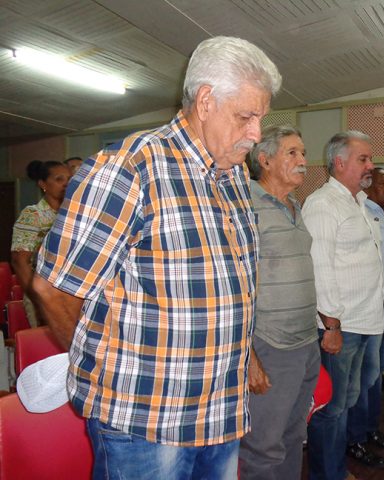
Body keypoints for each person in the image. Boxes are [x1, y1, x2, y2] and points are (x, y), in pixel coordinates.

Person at [31, 36, 281, 480]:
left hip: (220, 411)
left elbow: (231, 287)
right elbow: (53, 288)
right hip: (146, 422)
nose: (256, 134)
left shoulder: (236, 176)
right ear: (205, 101)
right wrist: (107, 370)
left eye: (260, 118)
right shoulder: (129, 168)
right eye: (246, 116)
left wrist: (243, 358)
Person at [239, 125, 320, 480]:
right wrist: (249, 355)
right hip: (271, 345)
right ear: (265, 160)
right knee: (264, 447)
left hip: (306, 344)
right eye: (292, 153)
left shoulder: (296, 206)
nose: (303, 161)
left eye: (303, 153)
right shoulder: (246, 206)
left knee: (294, 435)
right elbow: (235, 283)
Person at [302, 131, 384, 480]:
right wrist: (331, 326)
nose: (371, 165)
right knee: (332, 409)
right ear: (339, 162)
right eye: (363, 159)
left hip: (367, 322)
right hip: (342, 326)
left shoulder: (359, 203)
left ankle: (335, 467)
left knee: (349, 401)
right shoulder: (322, 205)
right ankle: (327, 474)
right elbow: (319, 268)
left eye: (370, 158)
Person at [345, 168, 384, 469]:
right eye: (383, 183)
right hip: (369, 306)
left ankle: (369, 430)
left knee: (375, 375)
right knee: (362, 378)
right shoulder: (362, 212)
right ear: (367, 188)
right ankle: (355, 438)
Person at [11, 160, 71, 328]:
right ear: (43, 184)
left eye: (69, 179)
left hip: (70, 293)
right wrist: (39, 302)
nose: (66, 184)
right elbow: (19, 261)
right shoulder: (34, 214)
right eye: (59, 179)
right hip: (44, 293)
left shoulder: (73, 215)